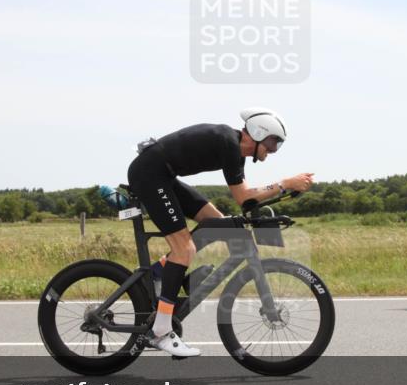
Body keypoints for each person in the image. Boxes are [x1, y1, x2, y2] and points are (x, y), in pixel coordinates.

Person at [127, 108, 315, 357]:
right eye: (272, 143)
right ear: (258, 133)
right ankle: (160, 331)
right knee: (184, 249)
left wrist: (278, 194)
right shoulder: (229, 144)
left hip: (162, 174)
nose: (273, 150)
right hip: (151, 175)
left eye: (277, 145)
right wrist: (285, 184)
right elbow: (244, 197)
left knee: (218, 224)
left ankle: (159, 272)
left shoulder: (234, 150)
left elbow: (247, 201)